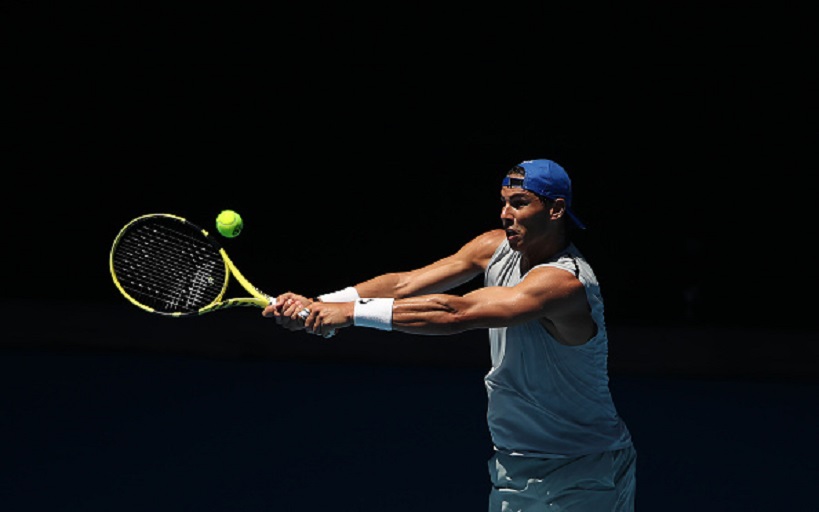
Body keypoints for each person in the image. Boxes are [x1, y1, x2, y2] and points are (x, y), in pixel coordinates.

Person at [263, 158, 637, 511]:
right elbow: (408, 283)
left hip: (584, 470)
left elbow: (458, 312)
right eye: (504, 203)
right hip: (515, 465)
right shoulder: (494, 247)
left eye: (519, 204)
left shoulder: (563, 282)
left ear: (555, 210)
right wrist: (320, 302)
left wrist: (348, 314)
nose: (506, 214)